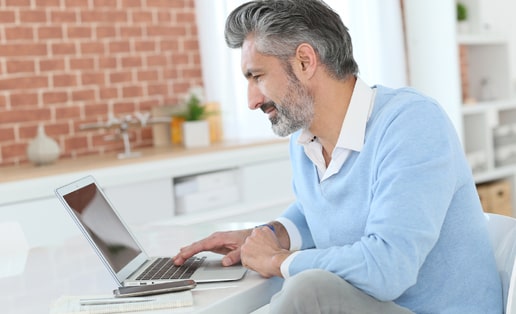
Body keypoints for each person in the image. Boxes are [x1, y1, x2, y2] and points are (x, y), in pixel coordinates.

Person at [173, 0, 503, 313]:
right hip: (376, 305)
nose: (251, 100)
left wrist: (277, 260)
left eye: (257, 76)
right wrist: (267, 236)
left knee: (309, 290)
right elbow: (317, 211)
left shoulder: (412, 123)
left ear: (305, 61)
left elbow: (387, 268)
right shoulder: (306, 138)